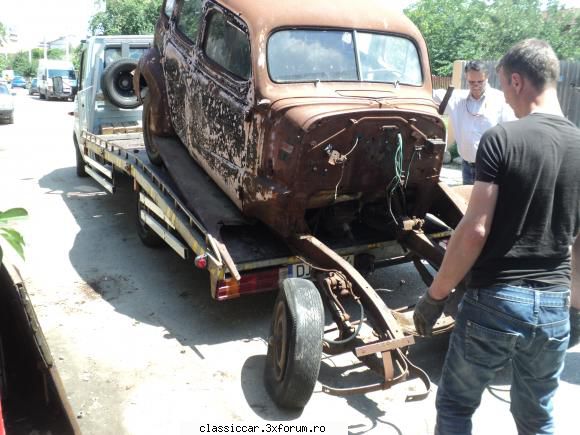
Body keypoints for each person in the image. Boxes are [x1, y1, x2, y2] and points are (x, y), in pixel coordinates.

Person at [414, 39, 580, 435]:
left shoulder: (502, 139)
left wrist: (434, 297)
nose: (505, 96)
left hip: (496, 301)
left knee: (455, 406)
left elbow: (473, 231)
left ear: (518, 81)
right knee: (538, 417)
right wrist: (574, 308)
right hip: (555, 305)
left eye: (505, 86)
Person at [434, 60, 515, 184]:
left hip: (491, 169)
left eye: (480, 81)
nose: (476, 85)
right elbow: (430, 94)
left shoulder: (501, 101)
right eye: (471, 82)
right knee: (466, 201)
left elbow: (511, 134)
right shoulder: (457, 99)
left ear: (487, 77)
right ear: (466, 78)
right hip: (466, 167)